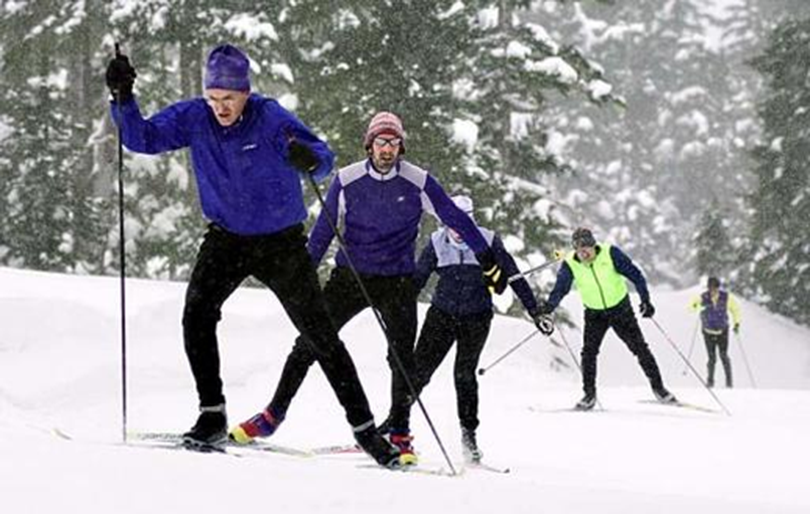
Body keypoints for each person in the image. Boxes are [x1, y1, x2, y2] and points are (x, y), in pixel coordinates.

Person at [104, 43, 400, 467]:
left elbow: (323, 159)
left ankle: (366, 431)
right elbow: (142, 138)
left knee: (319, 334)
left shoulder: (270, 117)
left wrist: (308, 158)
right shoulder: (195, 117)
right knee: (197, 314)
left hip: (281, 242)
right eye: (213, 98)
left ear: (245, 92)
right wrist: (123, 97)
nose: (220, 107)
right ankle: (212, 415)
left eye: (228, 98)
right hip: (226, 239)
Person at [229, 112, 508, 465]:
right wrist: (300, 273)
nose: (387, 149)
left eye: (393, 142)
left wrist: (486, 258)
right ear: (369, 144)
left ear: (401, 146)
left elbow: (454, 217)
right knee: (309, 343)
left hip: (398, 281)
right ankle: (272, 415)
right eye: (381, 141)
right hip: (351, 279)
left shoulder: (418, 181)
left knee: (403, 358)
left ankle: (400, 433)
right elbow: (321, 234)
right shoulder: (347, 179)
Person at [406, 194, 552, 463]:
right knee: (417, 373)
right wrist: (393, 306)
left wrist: (535, 311)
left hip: (476, 317)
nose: (458, 231)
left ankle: (469, 437)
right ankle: (395, 427)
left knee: (464, 374)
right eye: (452, 223)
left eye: (464, 224)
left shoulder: (487, 240)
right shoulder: (437, 242)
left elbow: (515, 277)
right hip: (441, 315)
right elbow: (416, 281)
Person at [536, 227, 677, 410]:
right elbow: (560, 289)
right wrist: (548, 308)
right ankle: (589, 395)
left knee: (640, 348)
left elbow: (636, 275)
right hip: (595, 314)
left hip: (620, 310)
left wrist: (646, 301)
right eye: (580, 250)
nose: (584, 253)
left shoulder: (610, 254)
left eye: (587, 248)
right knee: (589, 353)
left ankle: (660, 389)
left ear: (594, 245)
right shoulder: (570, 263)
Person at [689, 276, 741, 388]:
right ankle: (710, 382)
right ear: (708, 288)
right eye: (711, 288)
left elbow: (735, 309)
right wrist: (700, 306)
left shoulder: (726, 297)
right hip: (708, 331)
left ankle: (729, 382)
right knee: (711, 358)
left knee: (724, 356)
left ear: (718, 287)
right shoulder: (702, 297)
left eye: (715, 288)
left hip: (722, 331)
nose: (713, 291)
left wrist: (737, 323)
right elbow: (691, 308)